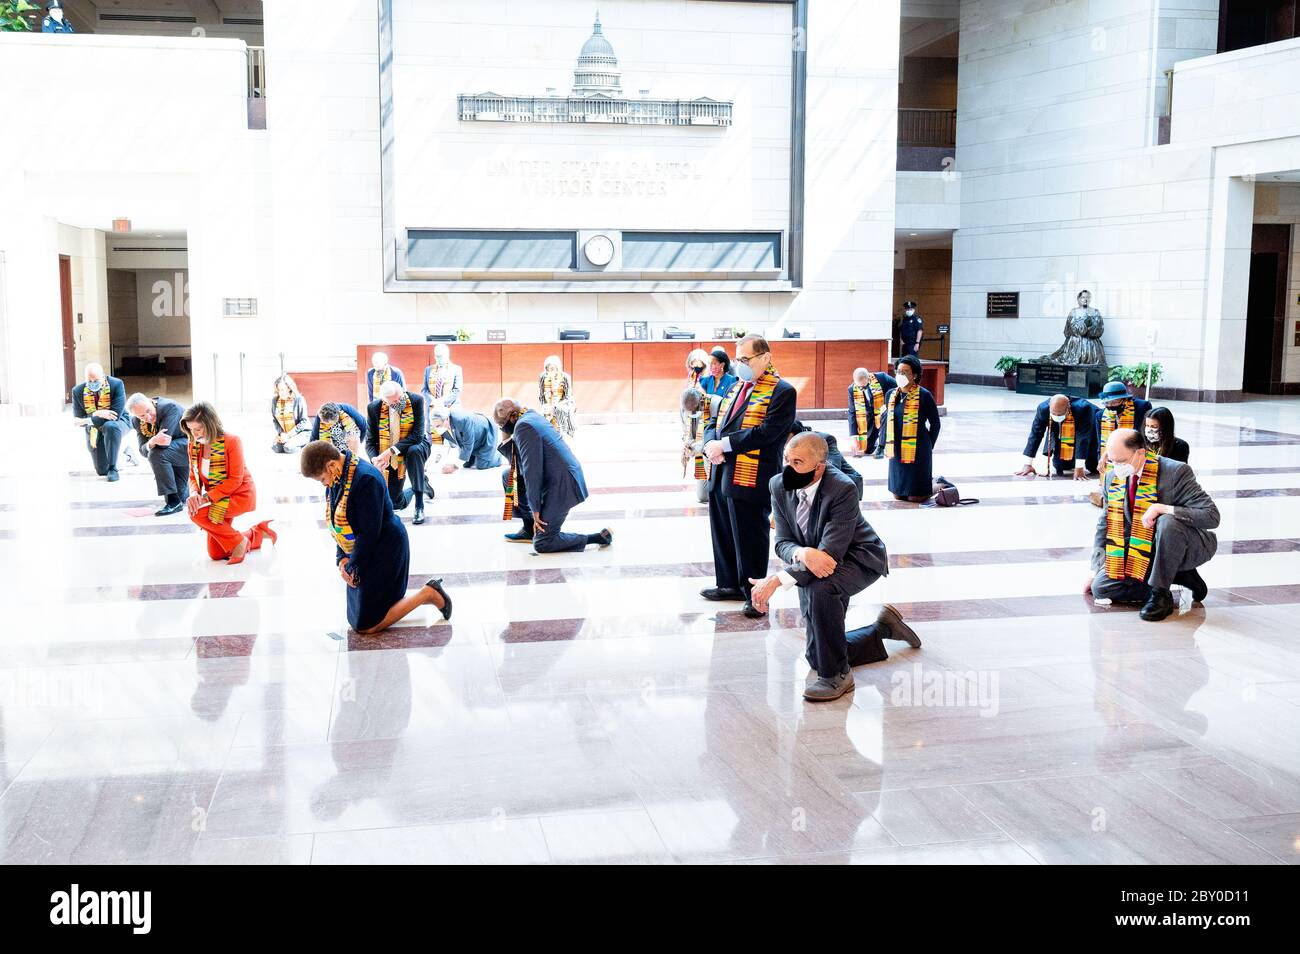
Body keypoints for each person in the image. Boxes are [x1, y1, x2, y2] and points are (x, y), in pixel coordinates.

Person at [749, 433, 921, 701]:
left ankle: (837, 675)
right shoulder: (778, 486)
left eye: (797, 462)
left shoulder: (842, 488)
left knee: (821, 589)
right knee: (816, 656)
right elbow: (783, 542)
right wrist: (802, 551)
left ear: (819, 466)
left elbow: (831, 556)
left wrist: (776, 580)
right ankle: (883, 629)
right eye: (786, 460)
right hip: (813, 559)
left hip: (859, 557)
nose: (788, 468)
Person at [300, 440, 452, 635]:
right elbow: (337, 519)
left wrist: (352, 564)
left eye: (322, 479)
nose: (325, 484)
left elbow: (369, 533)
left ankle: (429, 593)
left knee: (367, 625)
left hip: (384, 549)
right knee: (356, 617)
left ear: (331, 465)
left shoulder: (365, 479)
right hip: (362, 550)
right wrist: (342, 558)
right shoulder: (339, 474)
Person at [699, 334, 797, 617]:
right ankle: (729, 583)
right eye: (738, 359)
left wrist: (723, 445)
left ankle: (754, 593)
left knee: (750, 536)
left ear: (765, 358)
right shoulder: (735, 387)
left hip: (751, 475)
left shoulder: (782, 391)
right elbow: (713, 421)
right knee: (723, 532)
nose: (740, 364)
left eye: (745, 359)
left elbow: (767, 433)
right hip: (721, 471)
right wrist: (709, 444)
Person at [1089, 429, 1218, 621]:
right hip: (1141, 549)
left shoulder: (1175, 472)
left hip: (1186, 542)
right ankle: (1176, 574)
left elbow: (1212, 516)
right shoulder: (1111, 478)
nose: (1116, 467)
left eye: (1121, 461)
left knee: (1167, 521)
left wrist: (1165, 508)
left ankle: (1160, 594)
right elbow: (1104, 523)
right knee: (1100, 588)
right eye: (1112, 461)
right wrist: (1095, 569)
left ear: (1140, 453)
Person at [494, 398, 611, 552]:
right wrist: (507, 435)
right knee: (508, 476)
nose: (503, 429)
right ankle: (529, 530)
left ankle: (596, 538)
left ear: (513, 417)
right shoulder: (530, 415)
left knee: (543, 543)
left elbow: (532, 471)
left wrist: (535, 509)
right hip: (555, 476)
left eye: (502, 425)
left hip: (563, 483)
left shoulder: (524, 426)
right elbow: (518, 464)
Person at [181, 402, 274, 565]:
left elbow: (235, 479)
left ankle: (240, 542)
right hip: (216, 498)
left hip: (238, 494)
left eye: (198, 429)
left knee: (196, 513)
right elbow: (192, 476)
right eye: (191, 429)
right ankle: (258, 533)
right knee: (216, 554)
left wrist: (206, 498)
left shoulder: (232, 441)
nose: (194, 434)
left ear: (210, 425)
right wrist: (195, 494)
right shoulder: (193, 444)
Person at [366, 381, 431, 525]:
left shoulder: (416, 400)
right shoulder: (373, 408)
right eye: (394, 401)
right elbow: (370, 441)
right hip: (389, 452)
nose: (399, 402)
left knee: (414, 452)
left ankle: (419, 505)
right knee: (395, 503)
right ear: (384, 400)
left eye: (400, 397)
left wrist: (390, 451)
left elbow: (418, 435)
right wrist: (375, 459)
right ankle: (421, 484)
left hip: (417, 444)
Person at [881, 354, 940, 502]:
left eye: (905, 372)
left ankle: (939, 485)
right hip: (897, 449)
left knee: (915, 497)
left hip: (918, 450)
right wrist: (884, 444)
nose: (900, 375)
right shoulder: (891, 395)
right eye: (898, 371)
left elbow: (935, 424)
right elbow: (886, 421)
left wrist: (927, 445)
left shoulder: (924, 395)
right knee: (898, 496)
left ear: (914, 375)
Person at [126, 392, 190, 515]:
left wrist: (151, 444)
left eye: (148, 411)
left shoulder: (169, 407)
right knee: (182, 496)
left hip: (188, 445)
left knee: (156, 454)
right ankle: (181, 492)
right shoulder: (136, 422)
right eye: (142, 416)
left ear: (151, 401)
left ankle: (173, 502)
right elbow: (143, 450)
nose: (148, 417)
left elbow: (164, 443)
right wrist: (151, 442)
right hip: (171, 453)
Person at [1015, 393, 1098, 479]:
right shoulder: (1043, 409)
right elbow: (1036, 434)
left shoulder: (1083, 408)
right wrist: (1028, 464)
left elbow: (1083, 438)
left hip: (1091, 430)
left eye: (1060, 414)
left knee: (1094, 467)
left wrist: (1079, 467)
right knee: (1062, 465)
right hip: (1064, 432)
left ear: (1068, 407)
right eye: (1053, 413)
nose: (1056, 416)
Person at [70, 363, 130, 482]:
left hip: (119, 423)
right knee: (102, 470)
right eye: (89, 380)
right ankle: (127, 456)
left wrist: (87, 419)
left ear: (103, 376)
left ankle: (113, 468)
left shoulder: (116, 384)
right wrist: (96, 414)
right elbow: (77, 420)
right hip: (94, 429)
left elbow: (115, 415)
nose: (93, 382)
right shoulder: (77, 391)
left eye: (96, 379)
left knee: (110, 426)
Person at [791, 420, 863, 500]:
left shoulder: (824, 440)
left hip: (844, 486)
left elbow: (830, 470)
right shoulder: (790, 446)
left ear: (795, 434)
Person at [1095, 381, 1152, 472]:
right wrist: (1102, 458)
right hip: (1113, 455)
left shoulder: (1142, 407)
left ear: (1124, 400)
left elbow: (1141, 437)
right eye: (1107, 403)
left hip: (1135, 451)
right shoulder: (1100, 415)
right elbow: (1100, 443)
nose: (1110, 406)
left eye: (1114, 402)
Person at [1041, 289, 1106, 366]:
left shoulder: (1095, 312)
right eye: (1083, 297)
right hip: (1076, 344)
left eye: (1088, 297)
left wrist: (1091, 327)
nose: (1085, 299)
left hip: (1091, 346)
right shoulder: (1074, 312)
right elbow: (1071, 329)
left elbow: (1100, 328)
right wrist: (1084, 324)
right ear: (1078, 299)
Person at [430, 406, 501, 474]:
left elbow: (468, 443)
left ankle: (497, 456)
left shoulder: (462, 420)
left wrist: (455, 466)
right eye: (434, 426)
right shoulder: (441, 425)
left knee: (482, 465)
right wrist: (445, 463)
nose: (436, 429)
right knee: (466, 464)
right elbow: (454, 444)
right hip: (474, 439)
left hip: (486, 433)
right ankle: (477, 455)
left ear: (446, 419)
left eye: (438, 426)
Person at [847, 366, 896, 458]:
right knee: (867, 448)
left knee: (885, 417)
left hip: (884, 413)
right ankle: (876, 444)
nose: (862, 389)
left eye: (864, 386)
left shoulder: (882, 377)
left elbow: (898, 388)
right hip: (869, 417)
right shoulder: (851, 389)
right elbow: (852, 412)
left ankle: (881, 446)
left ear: (868, 378)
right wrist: (853, 436)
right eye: (859, 387)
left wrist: (887, 403)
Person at [270, 374, 310, 454]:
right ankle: (290, 442)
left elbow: (304, 421)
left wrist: (288, 436)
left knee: (288, 447)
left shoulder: (298, 399)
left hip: (302, 432)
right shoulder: (275, 400)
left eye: (282, 389)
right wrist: (281, 434)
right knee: (276, 447)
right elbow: (275, 420)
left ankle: (306, 446)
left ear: (289, 388)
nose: (280, 393)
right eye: (278, 390)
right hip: (285, 433)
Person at [539, 355, 576, 437]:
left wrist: (555, 405)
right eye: (548, 368)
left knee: (558, 410)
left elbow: (568, 397)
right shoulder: (543, 376)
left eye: (552, 368)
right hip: (548, 404)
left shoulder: (565, 377)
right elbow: (541, 396)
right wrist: (545, 405)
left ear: (557, 368)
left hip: (563, 403)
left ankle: (563, 434)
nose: (550, 370)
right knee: (544, 414)